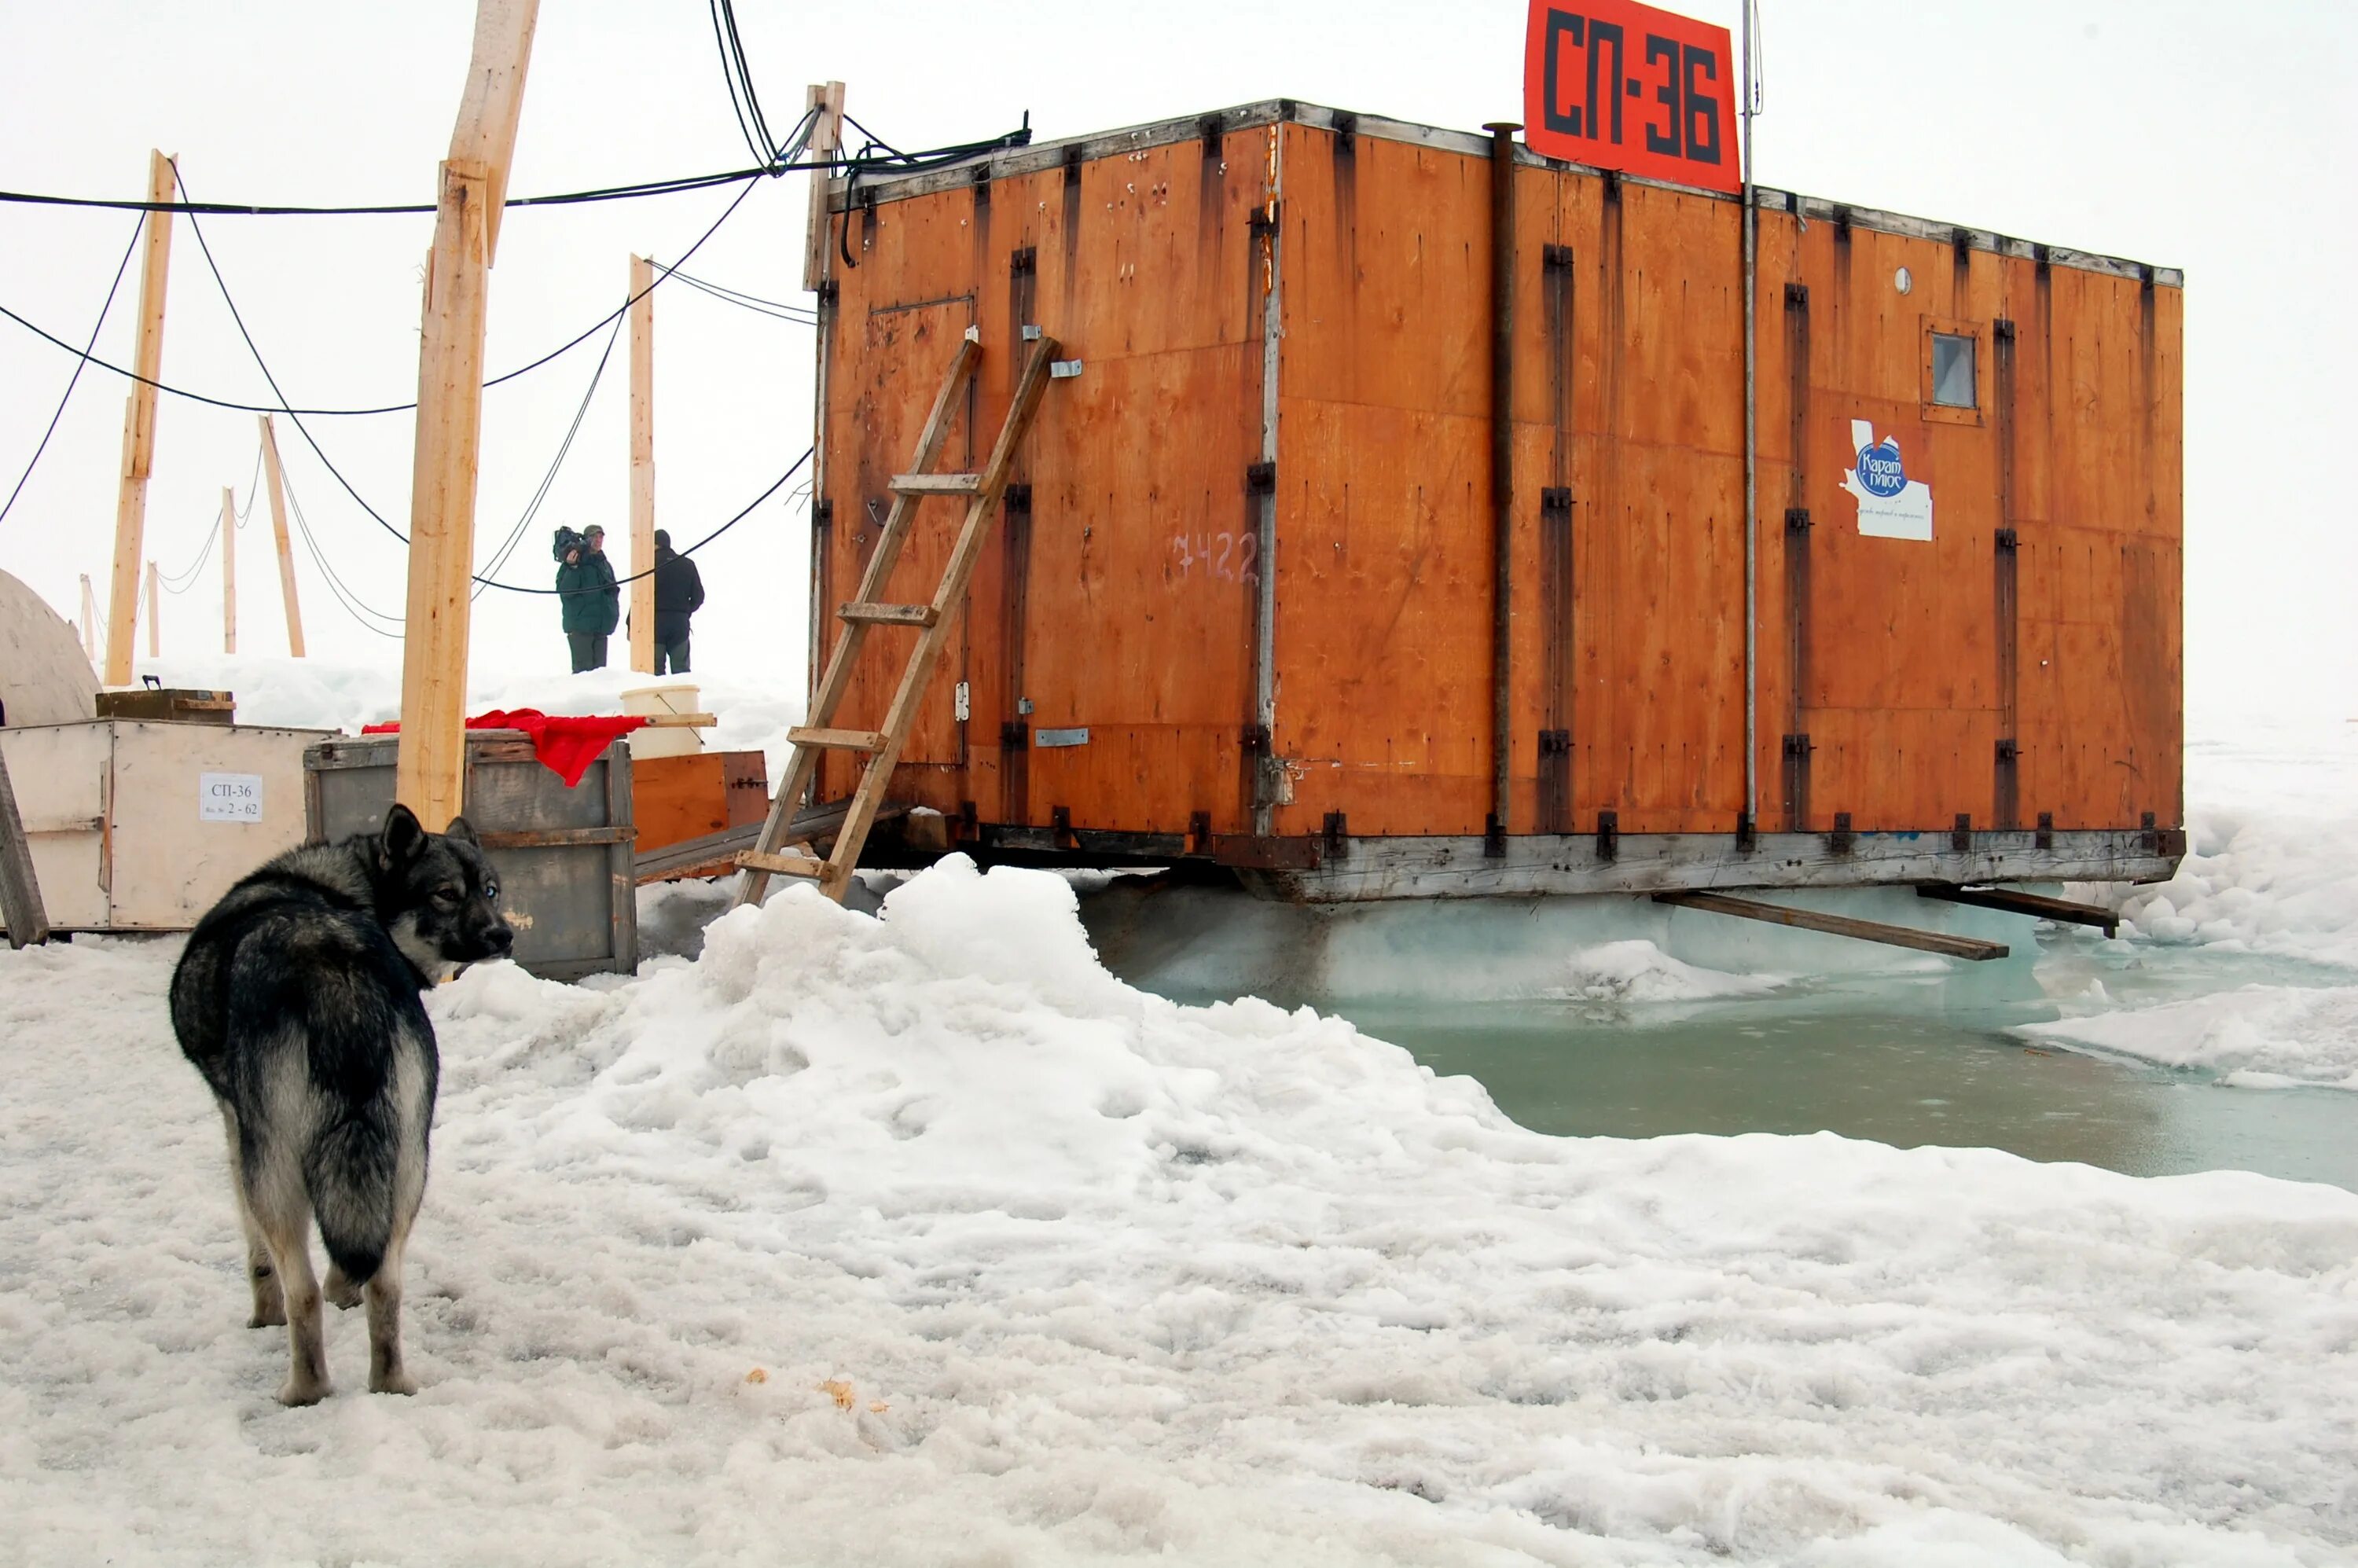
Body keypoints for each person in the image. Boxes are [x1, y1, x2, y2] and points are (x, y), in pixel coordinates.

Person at [556, 524, 620, 672]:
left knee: (600, 675)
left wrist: (612, 615)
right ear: (587, 539)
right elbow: (565, 591)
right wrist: (572, 567)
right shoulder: (572, 563)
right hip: (580, 628)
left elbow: (613, 591)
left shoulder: (604, 564)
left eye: (601, 537)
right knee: (583, 675)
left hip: (601, 627)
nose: (598, 540)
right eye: (594, 537)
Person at [650, 529, 705, 675]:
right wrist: (685, 611)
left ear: (654, 544)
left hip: (655, 622)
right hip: (679, 622)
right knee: (681, 671)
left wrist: (631, 623)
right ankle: (681, 697)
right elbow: (699, 596)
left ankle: (657, 698)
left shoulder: (648, 564)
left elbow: (639, 597)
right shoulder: (687, 564)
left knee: (655, 670)